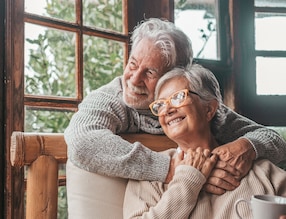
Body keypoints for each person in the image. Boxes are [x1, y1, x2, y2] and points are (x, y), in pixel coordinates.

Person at [64, 17, 286, 194]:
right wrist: (175, 169)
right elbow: (82, 142)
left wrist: (247, 146)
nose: (133, 79)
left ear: (172, 78)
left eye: (149, 72)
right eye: (133, 64)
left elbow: (272, 139)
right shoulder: (111, 98)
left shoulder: (197, 107)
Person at [123, 64, 286, 218]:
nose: (168, 110)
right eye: (160, 105)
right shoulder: (149, 176)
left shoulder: (262, 171)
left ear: (209, 109)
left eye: (178, 97)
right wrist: (188, 180)